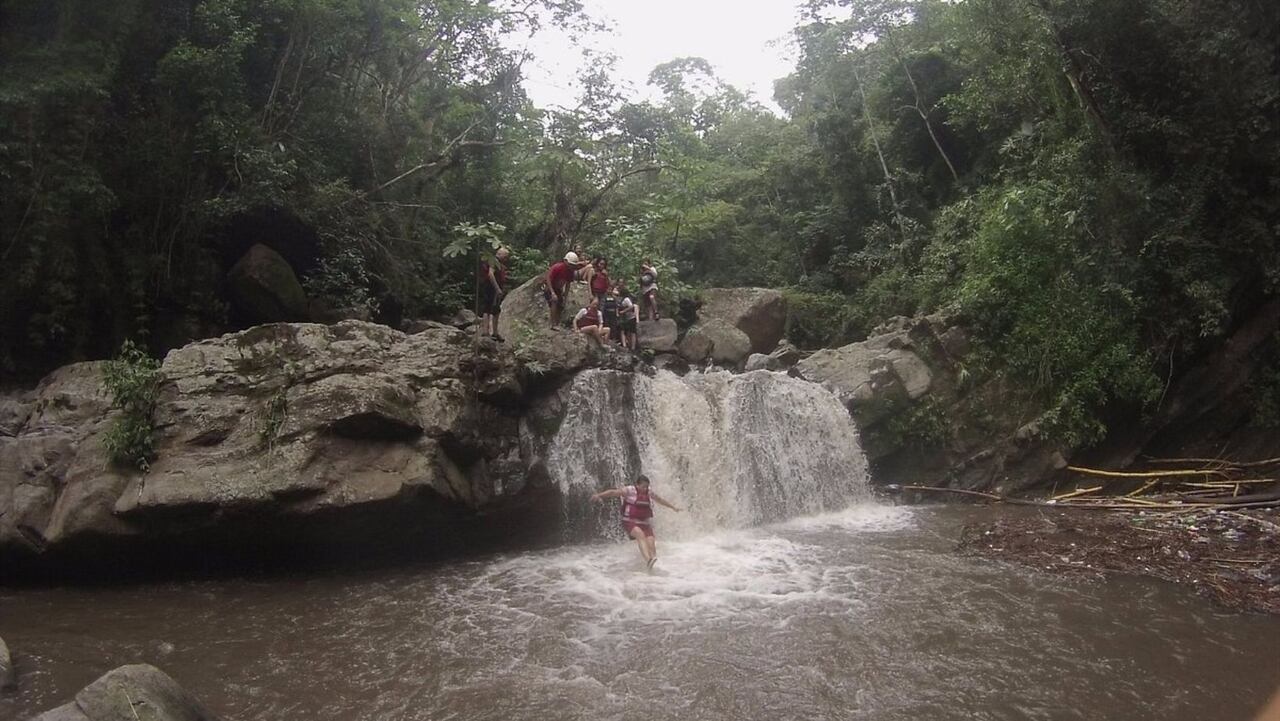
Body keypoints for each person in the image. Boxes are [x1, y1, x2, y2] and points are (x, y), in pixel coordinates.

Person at [591, 474, 682, 568]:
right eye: (643, 486)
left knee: (651, 540)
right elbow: (613, 492)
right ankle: (648, 560)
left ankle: (653, 561)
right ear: (637, 485)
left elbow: (660, 500)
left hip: (644, 523)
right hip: (630, 521)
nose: (645, 489)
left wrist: (673, 507)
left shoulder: (649, 492)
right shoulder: (629, 490)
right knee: (640, 535)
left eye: (647, 486)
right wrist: (599, 495)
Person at [478, 247, 510, 341]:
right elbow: (490, 274)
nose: (506, 258)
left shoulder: (498, 262)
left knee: (496, 310)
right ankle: (486, 332)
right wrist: (497, 288)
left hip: (493, 288)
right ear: (500, 254)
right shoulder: (493, 261)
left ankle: (495, 333)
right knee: (487, 308)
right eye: (505, 256)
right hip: (491, 288)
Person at [543, 251, 581, 328]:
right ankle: (553, 324)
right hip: (549, 287)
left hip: (558, 289)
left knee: (561, 304)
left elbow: (568, 284)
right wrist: (552, 292)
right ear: (565, 261)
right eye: (570, 264)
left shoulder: (570, 272)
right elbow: (548, 278)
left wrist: (565, 297)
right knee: (554, 300)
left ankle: (557, 322)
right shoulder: (558, 267)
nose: (571, 267)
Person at [614, 284, 639, 350]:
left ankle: (633, 347)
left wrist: (623, 311)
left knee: (632, 332)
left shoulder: (626, 299)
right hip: (624, 318)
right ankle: (626, 345)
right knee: (625, 331)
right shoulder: (619, 300)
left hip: (631, 317)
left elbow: (631, 306)